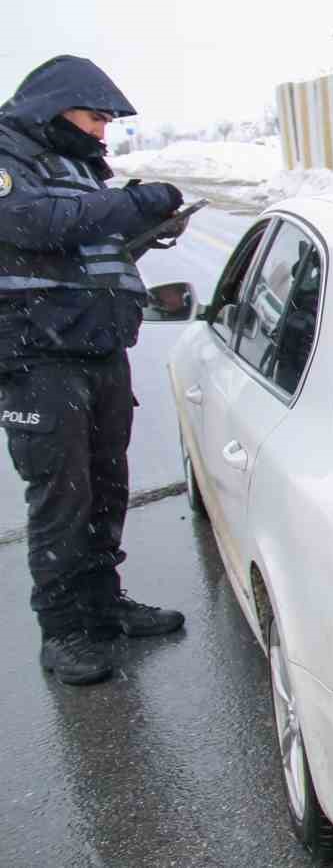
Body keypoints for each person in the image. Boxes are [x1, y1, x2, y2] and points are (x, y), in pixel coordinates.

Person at [0, 56, 190, 687]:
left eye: (108, 121)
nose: (102, 132)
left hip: (99, 350)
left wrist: (145, 228)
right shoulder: (8, 157)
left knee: (108, 486)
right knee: (61, 497)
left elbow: (85, 246)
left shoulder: (79, 165)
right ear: (53, 107)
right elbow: (34, 223)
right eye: (95, 117)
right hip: (39, 358)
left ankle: (104, 605)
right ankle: (63, 632)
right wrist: (133, 204)